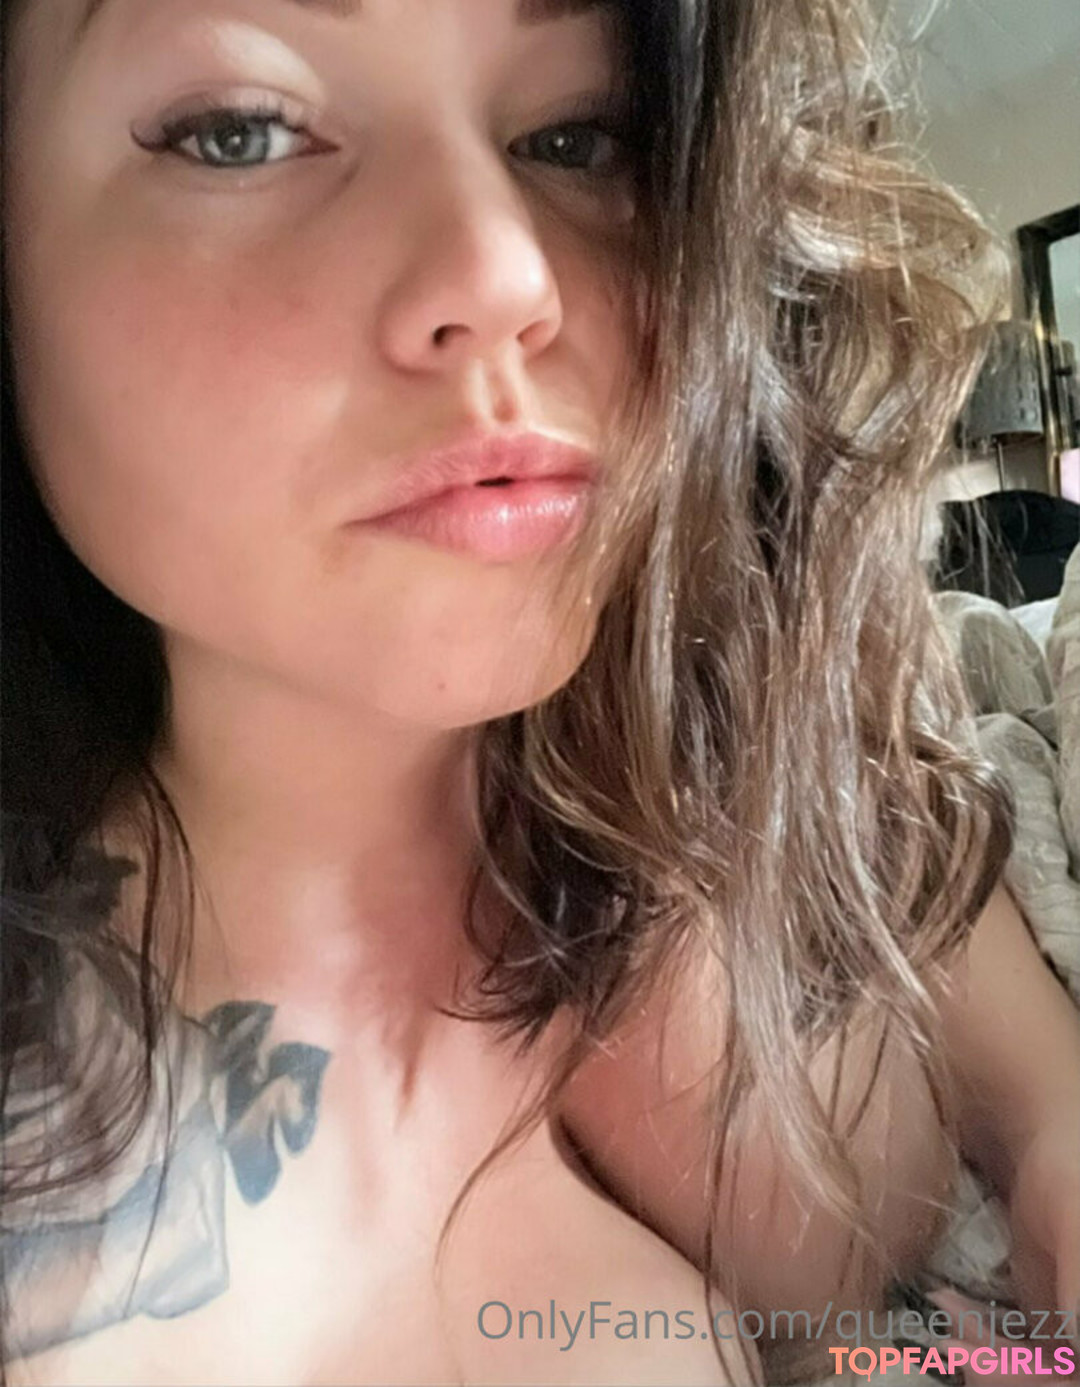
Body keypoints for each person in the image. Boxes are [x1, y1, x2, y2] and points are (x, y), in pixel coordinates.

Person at [1, 0, 1077, 1383]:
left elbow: (939, 907)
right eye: (241, 131)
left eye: (580, 134)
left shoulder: (736, 739)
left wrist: (1049, 1149)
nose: (508, 271)